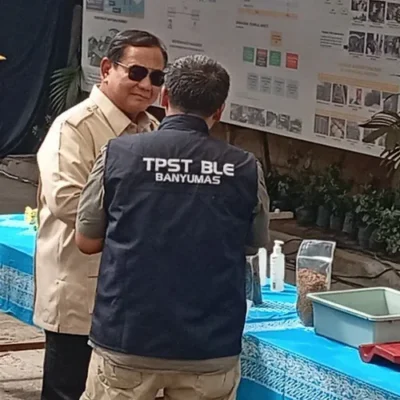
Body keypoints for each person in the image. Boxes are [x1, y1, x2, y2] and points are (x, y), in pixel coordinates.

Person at [74, 54, 270, 400]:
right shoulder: (245, 168)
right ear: (220, 110)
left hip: (128, 337)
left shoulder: (118, 153)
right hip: (210, 346)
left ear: (164, 97)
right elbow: (253, 245)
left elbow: (86, 241)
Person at [35, 29, 167, 400]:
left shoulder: (153, 130)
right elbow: (69, 203)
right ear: (107, 69)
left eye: (157, 77)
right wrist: (146, 227)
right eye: (136, 73)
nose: (146, 85)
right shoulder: (74, 128)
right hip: (81, 293)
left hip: (133, 296)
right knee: (68, 389)